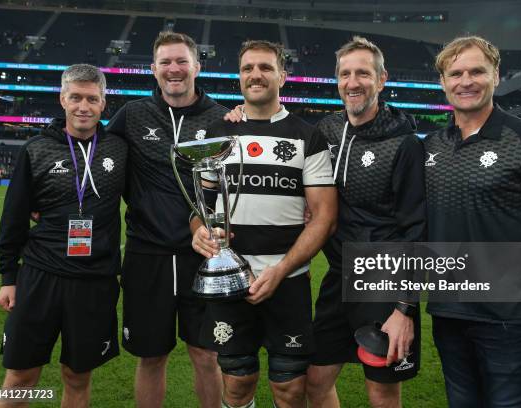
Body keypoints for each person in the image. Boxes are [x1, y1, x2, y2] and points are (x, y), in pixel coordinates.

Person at [425, 35, 521, 407]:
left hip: (506, 317)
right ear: (443, 82)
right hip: (447, 312)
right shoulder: (430, 145)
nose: (466, 81)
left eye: (477, 71)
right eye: (456, 73)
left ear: (496, 75)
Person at [191, 40, 337, 408]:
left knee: (289, 390)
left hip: (286, 281)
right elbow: (201, 209)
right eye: (247, 68)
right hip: (230, 281)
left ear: (282, 76)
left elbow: (324, 217)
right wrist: (199, 233)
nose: (256, 75)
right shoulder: (219, 135)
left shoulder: (309, 136)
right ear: (239, 77)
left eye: (266, 67)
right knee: (238, 384)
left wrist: (282, 269)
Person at [304, 36, 427, 408]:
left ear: (382, 78)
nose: (353, 82)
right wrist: (237, 115)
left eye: (363, 73)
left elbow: (418, 230)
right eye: (345, 73)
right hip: (338, 276)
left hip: (384, 281)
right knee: (315, 381)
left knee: (382, 391)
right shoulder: (325, 131)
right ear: (337, 79)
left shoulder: (404, 144)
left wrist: (405, 308)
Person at [0, 64, 126, 407]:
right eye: (76, 97)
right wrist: (9, 277)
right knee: (21, 376)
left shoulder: (119, 149)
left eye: (92, 99)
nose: (84, 106)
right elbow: (14, 216)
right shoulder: (37, 149)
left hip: (94, 280)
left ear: (103, 103)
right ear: (62, 99)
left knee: (78, 377)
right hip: (40, 275)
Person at [106, 31, 226, 407]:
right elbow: (96, 155)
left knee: (207, 355)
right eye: (166, 62)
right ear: (153, 69)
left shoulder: (222, 118)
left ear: (197, 66)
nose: (174, 69)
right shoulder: (132, 114)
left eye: (181, 61)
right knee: (150, 356)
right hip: (147, 255)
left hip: (203, 255)